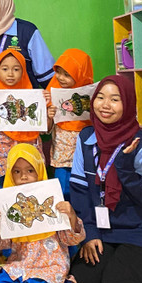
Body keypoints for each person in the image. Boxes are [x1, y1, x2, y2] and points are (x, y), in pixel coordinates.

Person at [69, 76, 142, 283]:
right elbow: (79, 190)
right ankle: (125, 268)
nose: (105, 105)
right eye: (100, 97)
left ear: (127, 105)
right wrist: (91, 232)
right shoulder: (86, 138)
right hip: (108, 231)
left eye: (115, 99)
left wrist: (125, 168)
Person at [0, 144, 85, 283]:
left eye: (30, 170)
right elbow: (1, 246)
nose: (23, 177)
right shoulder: (8, 203)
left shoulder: (53, 199)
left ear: (40, 170)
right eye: (17, 171)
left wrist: (72, 216)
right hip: (20, 265)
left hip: (49, 266)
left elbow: (72, 239)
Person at [0, 49, 44, 187]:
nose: (10, 74)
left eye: (16, 69)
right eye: (4, 69)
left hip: (30, 157)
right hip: (4, 159)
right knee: (4, 194)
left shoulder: (34, 96)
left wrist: (46, 108)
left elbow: (44, 129)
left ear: (23, 71)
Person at [44, 49, 94, 199]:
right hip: (62, 159)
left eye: (67, 74)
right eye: (58, 72)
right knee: (63, 191)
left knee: (83, 191)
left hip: (84, 157)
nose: (61, 78)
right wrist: (49, 115)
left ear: (80, 74)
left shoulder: (92, 96)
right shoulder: (52, 93)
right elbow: (45, 130)